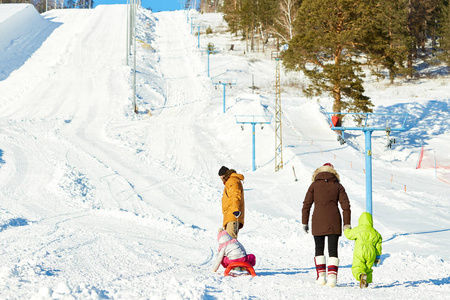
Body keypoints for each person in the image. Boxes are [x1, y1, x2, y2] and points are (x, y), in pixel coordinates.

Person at [302, 163, 351, 287]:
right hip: (334, 220)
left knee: (319, 248)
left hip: (318, 220)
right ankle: (332, 278)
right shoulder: (338, 186)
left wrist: (304, 222)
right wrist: (347, 223)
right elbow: (346, 206)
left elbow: (306, 205)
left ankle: (321, 277)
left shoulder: (314, 185)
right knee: (333, 249)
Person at [344, 212, 382, 289]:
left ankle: (361, 275)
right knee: (368, 267)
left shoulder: (359, 229)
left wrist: (346, 229)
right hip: (371, 252)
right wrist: (377, 257)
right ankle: (366, 282)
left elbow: (349, 235)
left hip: (360, 250)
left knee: (357, 266)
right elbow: (378, 246)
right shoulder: (376, 233)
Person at [218, 166, 245, 239]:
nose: (221, 179)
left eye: (221, 177)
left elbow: (235, 195)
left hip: (233, 214)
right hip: (230, 215)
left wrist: (236, 210)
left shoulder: (232, 181)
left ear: (224, 175)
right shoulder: (230, 181)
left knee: (229, 241)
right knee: (230, 240)